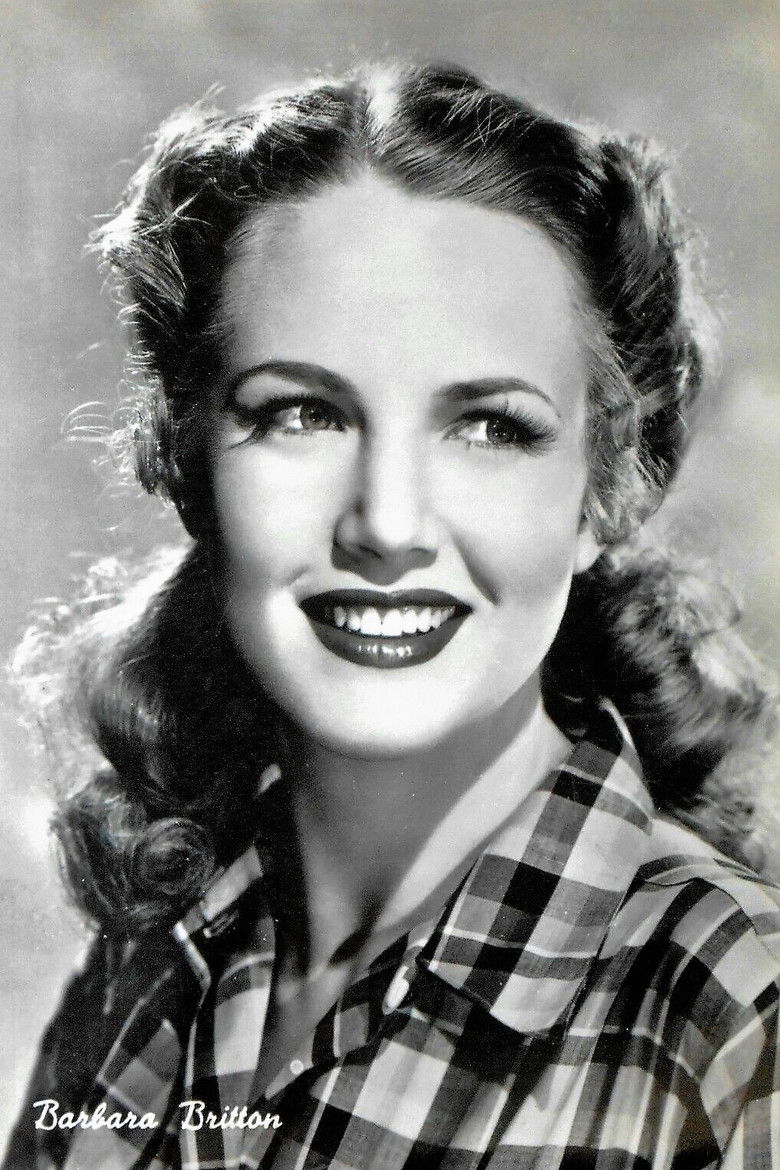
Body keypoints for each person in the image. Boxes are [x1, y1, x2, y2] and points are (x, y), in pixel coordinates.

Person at [4, 62, 779, 1170]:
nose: (387, 524)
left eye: (491, 427)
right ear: (186, 462)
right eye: (300, 413)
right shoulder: (149, 967)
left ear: (607, 490)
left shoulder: (736, 1013)